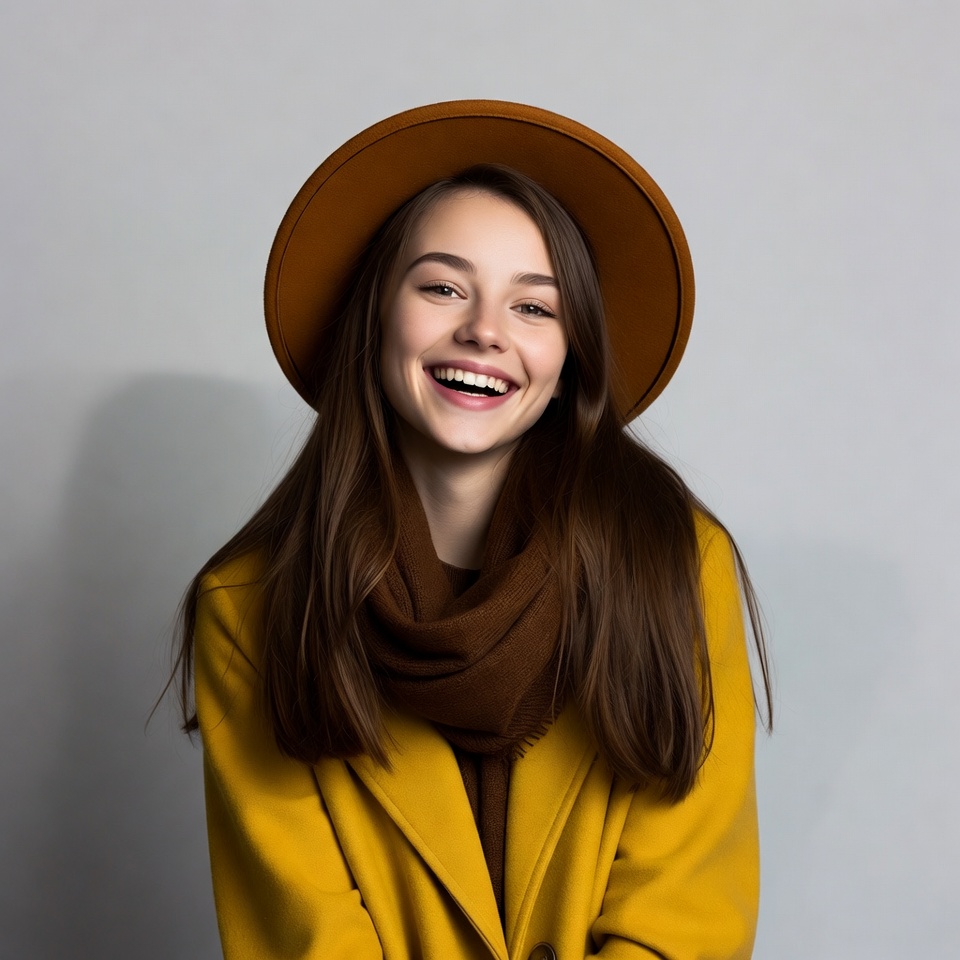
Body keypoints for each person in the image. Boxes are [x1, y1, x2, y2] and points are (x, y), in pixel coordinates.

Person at [172, 100, 772, 960]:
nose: (484, 332)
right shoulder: (253, 607)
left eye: (536, 308)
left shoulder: (672, 561)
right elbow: (303, 934)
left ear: (573, 360)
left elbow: (685, 912)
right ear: (375, 317)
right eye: (443, 287)